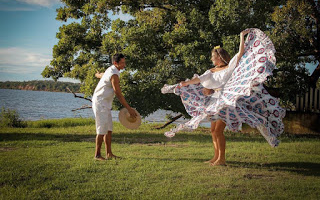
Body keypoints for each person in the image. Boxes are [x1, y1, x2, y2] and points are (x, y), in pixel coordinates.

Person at [161, 28, 285, 166]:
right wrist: (184, 84)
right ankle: (216, 157)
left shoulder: (229, 67)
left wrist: (241, 37)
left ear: (219, 57)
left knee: (218, 130)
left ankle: (222, 159)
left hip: (226, 101)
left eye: (213, 57)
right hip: (214, 101)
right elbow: (197, 80)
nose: (212, 59)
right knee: (213, 130)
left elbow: (240, 54)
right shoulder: (210, 71)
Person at [92, 53, 137, 160]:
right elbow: (118, 93)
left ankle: (109, 154)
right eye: (122, 63)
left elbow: (103, 75)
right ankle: (97, 155)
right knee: (101, 129)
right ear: (115, 63)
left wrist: (97, 75)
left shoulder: (112, 70)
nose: (124, 65)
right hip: (100, 102)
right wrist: (129, 109)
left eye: (124, 62)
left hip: (105, 103)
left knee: (108, 129)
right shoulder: (114, 75)